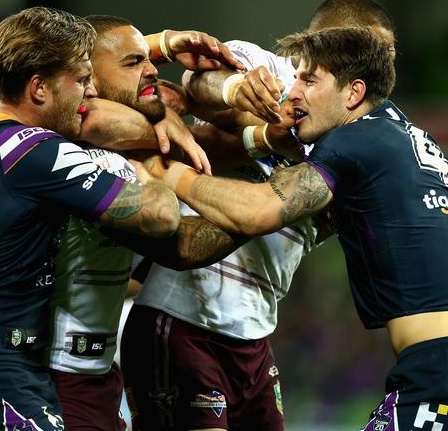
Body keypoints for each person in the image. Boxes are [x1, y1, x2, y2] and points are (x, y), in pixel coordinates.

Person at [145, 26, 448, 431]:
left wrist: (162, 169)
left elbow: (257, 212)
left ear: (353, 93)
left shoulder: (353, 141)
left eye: (309, 79)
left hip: (437, 364)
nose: (294, 92)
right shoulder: (404, 136)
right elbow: (200, 85)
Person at [0, 6, 183, 430]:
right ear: (39, 88)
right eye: (81, 81)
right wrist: (147, 176)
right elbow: (161, 217)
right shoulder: (36, 150)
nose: (89, 92)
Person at [46, 14, 246, 431]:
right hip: (59, 377)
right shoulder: (79, 158)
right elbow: (182, 245)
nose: (152, 69)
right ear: (89, 81)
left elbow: (210, 142)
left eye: (149, 59)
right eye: (133, 62)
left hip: (95, 373)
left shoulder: (117, 148)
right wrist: (275, 212)